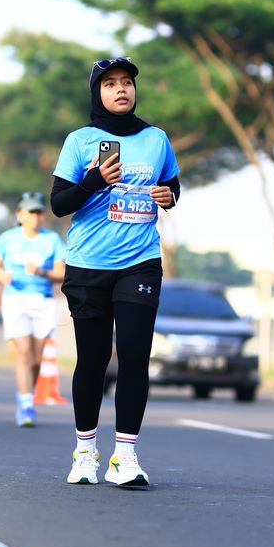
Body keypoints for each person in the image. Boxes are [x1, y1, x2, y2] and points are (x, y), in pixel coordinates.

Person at [51, 57, 180, 485]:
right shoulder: (81, 140)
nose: (121, 89)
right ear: (97, 93)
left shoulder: (156, 139)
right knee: (92, 360)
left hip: (140, 262)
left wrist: (169, 196)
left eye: (127, 82)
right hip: (88, 265)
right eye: (110, 84)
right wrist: (94, 180)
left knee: (135, 356)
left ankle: (125, 456)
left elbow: (172, 184)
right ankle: (85, 451)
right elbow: (59, 203)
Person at [0, 192, 65, 427]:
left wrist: (40, 272)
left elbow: (61, 273)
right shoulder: (8, 238)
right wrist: (2, 275)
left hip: (43, 300)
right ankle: (25, 404)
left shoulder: (52, 240)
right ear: (20, 215)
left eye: (39, 212)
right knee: (23, 352)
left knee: (36, 359)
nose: (35, 216)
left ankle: (27, 394)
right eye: (31, 212)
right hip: (15, 299)